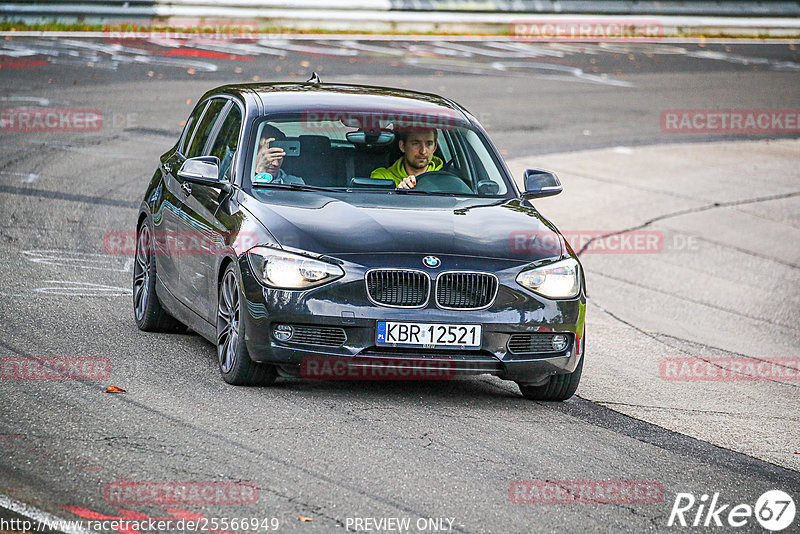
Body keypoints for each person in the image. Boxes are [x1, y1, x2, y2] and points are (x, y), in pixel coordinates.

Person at [370, 130, 443, 189]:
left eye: (429, 144)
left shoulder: (446, 179)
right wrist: (399, 196)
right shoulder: (383, 177)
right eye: (416, 144)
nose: (423, 151)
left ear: (434, 147)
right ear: (402, 146)